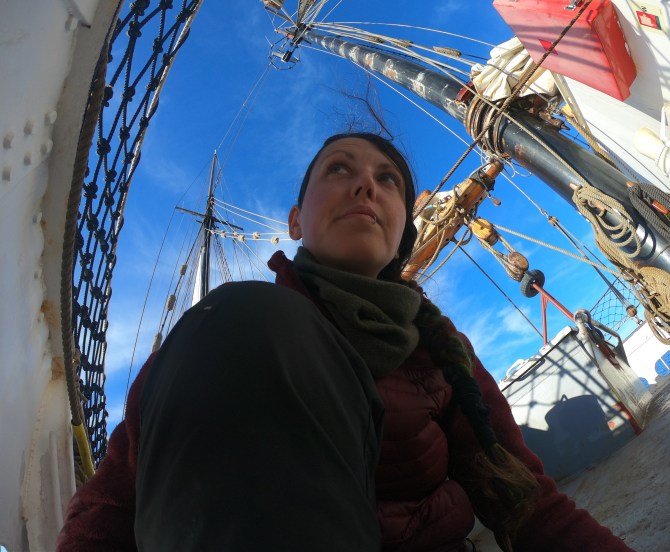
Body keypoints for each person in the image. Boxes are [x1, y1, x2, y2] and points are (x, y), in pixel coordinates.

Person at [57, 132, 634, 551]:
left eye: (389, 181)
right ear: (295, 221)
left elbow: (527, 505)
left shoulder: (440, 350)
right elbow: (108, 512)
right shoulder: (225, 334)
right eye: (339, 169)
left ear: (403, 232)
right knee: (235, 314)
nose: (366, 185)